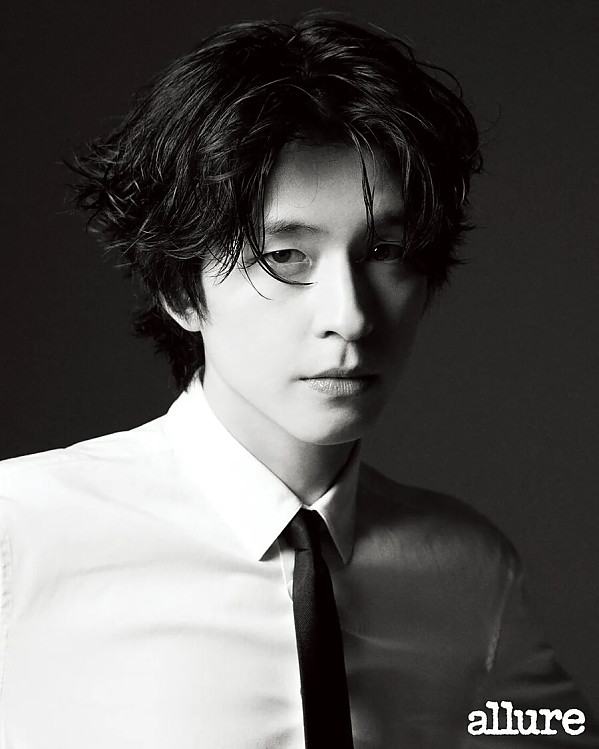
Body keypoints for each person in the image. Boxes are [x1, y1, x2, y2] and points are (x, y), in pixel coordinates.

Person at [0, 12, 595, 749]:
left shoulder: (467, 565)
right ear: (182, 290)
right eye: (285, 256)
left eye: (385, 251)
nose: (350, 316)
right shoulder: (21, 535)